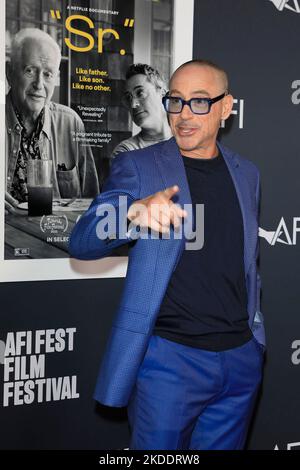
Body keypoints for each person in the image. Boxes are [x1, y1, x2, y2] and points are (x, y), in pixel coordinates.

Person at [69, 59, 265, 450]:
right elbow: (83, 239)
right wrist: (133, 213)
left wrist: (255, 343)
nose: (184, 114)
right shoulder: (139, 165)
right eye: (175, 101)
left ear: (227, 108)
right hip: (170, 365)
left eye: (199, 102)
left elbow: (246, 265)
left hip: (240, 360)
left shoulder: (248, 174)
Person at [5, 28, 99, 211]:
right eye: (30, 71)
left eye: (47, 74)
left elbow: (92, 201)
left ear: (55, 78)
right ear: (10, 72)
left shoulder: (71, 123)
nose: (39, 85)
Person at [111, 63, 172, 158]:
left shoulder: (188, 140)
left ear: (162, 93)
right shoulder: (125, 151)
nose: (133, 105)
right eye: (128, 98)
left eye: (140, 93)